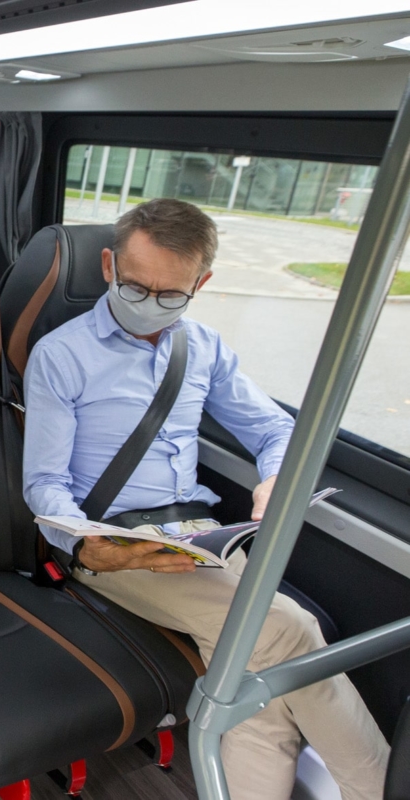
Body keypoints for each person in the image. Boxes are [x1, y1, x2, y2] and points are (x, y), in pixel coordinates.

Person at [22, 198, 389, 800]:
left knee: (247, 679)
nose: (148, 303)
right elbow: (44, 484)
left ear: (201, 284)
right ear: (109, 265)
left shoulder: (204, 348)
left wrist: (274, 478)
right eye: (135, 286)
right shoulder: (61, 355)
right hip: (118, 543)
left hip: (202, 538)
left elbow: (273, 429)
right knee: (288, 628)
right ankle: (379, 785)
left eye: (170, 295)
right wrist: (89, 547)